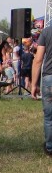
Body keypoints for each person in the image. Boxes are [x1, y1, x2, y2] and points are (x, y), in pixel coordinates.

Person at [30, 22, 52, 156]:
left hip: (49, 77)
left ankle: (50, 147)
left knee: (49, 117)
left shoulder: (46, 32)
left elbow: (38, 59)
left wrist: (33, 84)